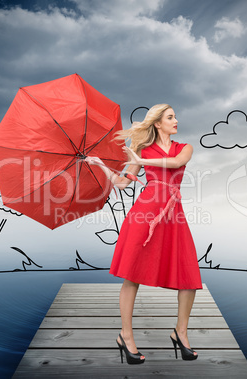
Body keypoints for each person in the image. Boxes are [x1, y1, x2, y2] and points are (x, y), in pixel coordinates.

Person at [86, 104, 202, 364]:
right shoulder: (141, 150)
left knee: (189, 276)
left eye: (175, 115)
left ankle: (180, 333)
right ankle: (125, 336)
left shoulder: (184, 148)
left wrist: (140, 160)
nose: (176, 120)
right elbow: (123, 183)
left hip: (173, 216)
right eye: (170, 117)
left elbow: (176, 163)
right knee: (132, 274)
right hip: (145, 213)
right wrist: (100, 166)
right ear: (158, 123)